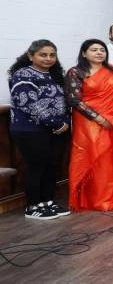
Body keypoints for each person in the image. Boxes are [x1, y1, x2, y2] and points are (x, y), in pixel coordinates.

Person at [65, 39, 113, 211]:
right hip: (86, 121)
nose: (99, 53)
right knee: (91, 155)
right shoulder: (76, 72)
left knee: (109, 159)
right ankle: (90, 199)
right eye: (94, 50)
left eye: (102, 50)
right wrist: (98, 118)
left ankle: (111, 197)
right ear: (84, 53)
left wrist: (112, 118)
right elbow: (74, 100)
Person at [8, 40, 71, 220]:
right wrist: (56, 123)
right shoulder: (23, 74)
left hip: (56, 130)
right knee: (36, 167)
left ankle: (47, 202)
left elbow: (65, 101)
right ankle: (33, 206)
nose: (48, 58)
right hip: (30, 130)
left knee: (51, 167)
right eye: (43, 55)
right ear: (31, 56)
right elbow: (28, 103)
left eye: (52, 55)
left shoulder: (55, 74)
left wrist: (65, 122)